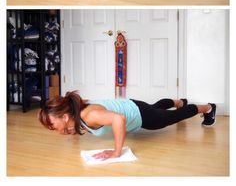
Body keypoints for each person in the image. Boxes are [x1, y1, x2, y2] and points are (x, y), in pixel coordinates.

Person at [39, 90, 216, 161]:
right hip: (133, 105)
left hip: (139, 115)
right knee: (155, 108)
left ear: (64, 116)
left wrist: (117, 152)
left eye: (52, 124)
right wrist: (70, 129)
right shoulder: (76, 110)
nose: (52, 129)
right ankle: (180, 101)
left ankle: (208, 108)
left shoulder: (89, 114)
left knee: (170, 118)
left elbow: (119, 120)